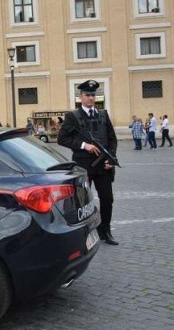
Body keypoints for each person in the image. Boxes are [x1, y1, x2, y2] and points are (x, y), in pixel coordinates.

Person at [58, 80, 118, 245]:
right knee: (82, 201)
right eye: (87, 95)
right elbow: (62, 139)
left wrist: (111, 158)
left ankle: (105, 231)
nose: (91, 98)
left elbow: (112, 140)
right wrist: (85, 145)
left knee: (107, 199)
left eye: (93, 95)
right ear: (80, 97)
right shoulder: (73, 116)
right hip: (83, 166)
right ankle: (82, 234)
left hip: (103, 166)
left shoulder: (103, 115)